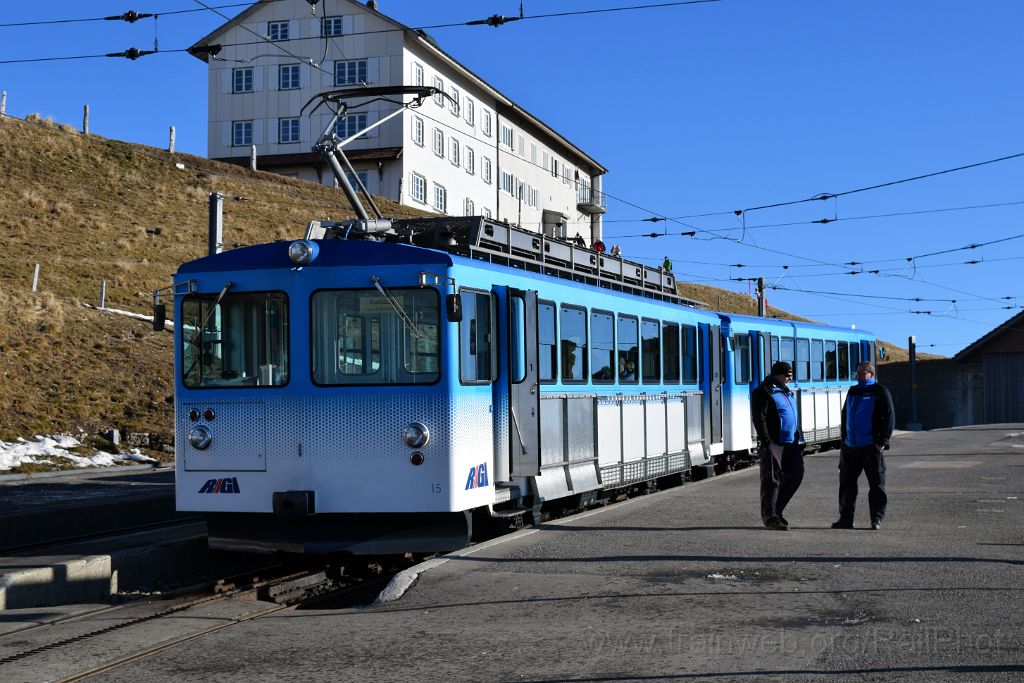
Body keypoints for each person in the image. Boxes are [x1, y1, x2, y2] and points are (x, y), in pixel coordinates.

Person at [832, 361, 895, 530]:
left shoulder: (880, 392)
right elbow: (846, 415)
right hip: (850, 446)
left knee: (876, 485)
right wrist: (844, 440)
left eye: (862, 373)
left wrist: (882, 441)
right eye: (857, 373)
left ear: (872, 374)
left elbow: (889, 417)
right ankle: (846, 519)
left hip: (870, 446)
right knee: (847, 485)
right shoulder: (853, 391)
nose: (859, 376)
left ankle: (876, 519)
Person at [751, 361, 804, 531]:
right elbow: (759, 418)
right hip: (774, 444)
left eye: (791, 375)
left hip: (791, 442)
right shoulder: (763, 391)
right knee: (771, 481)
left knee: (796, 474)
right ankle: (770, 517)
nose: (790, 378)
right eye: (787, 375)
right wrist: (767, 442)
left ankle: (777, 510)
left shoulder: (785, 391)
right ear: (777, 374)